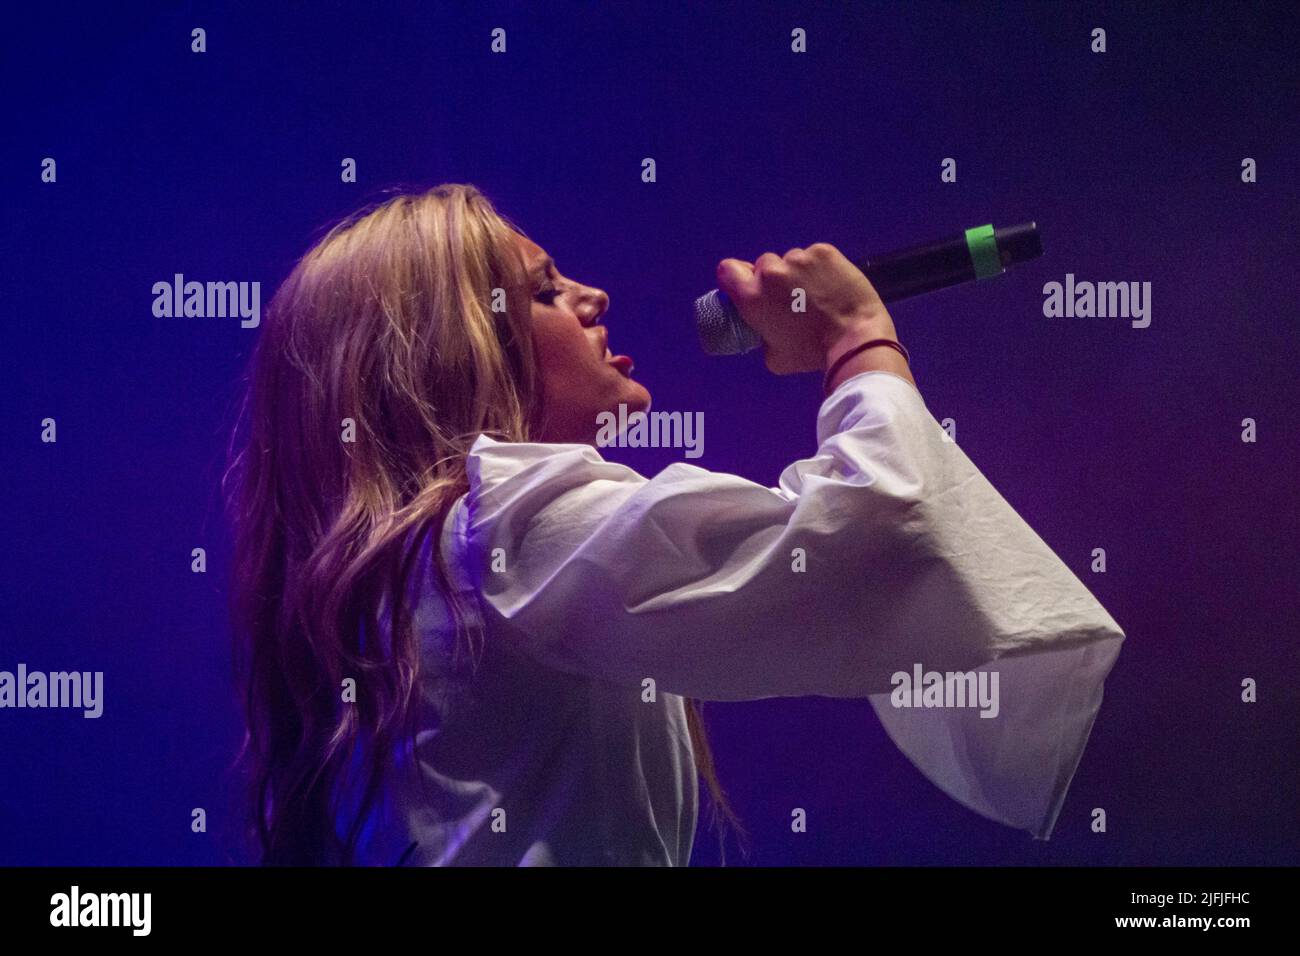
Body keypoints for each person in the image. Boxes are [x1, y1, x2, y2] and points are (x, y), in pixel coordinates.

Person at [225, 183, 1125, 867]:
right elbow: (870, 539)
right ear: (440, 352)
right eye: (545, 293)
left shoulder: (454, 549)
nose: (595, 296)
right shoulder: (504, 524)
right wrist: (856, 334)